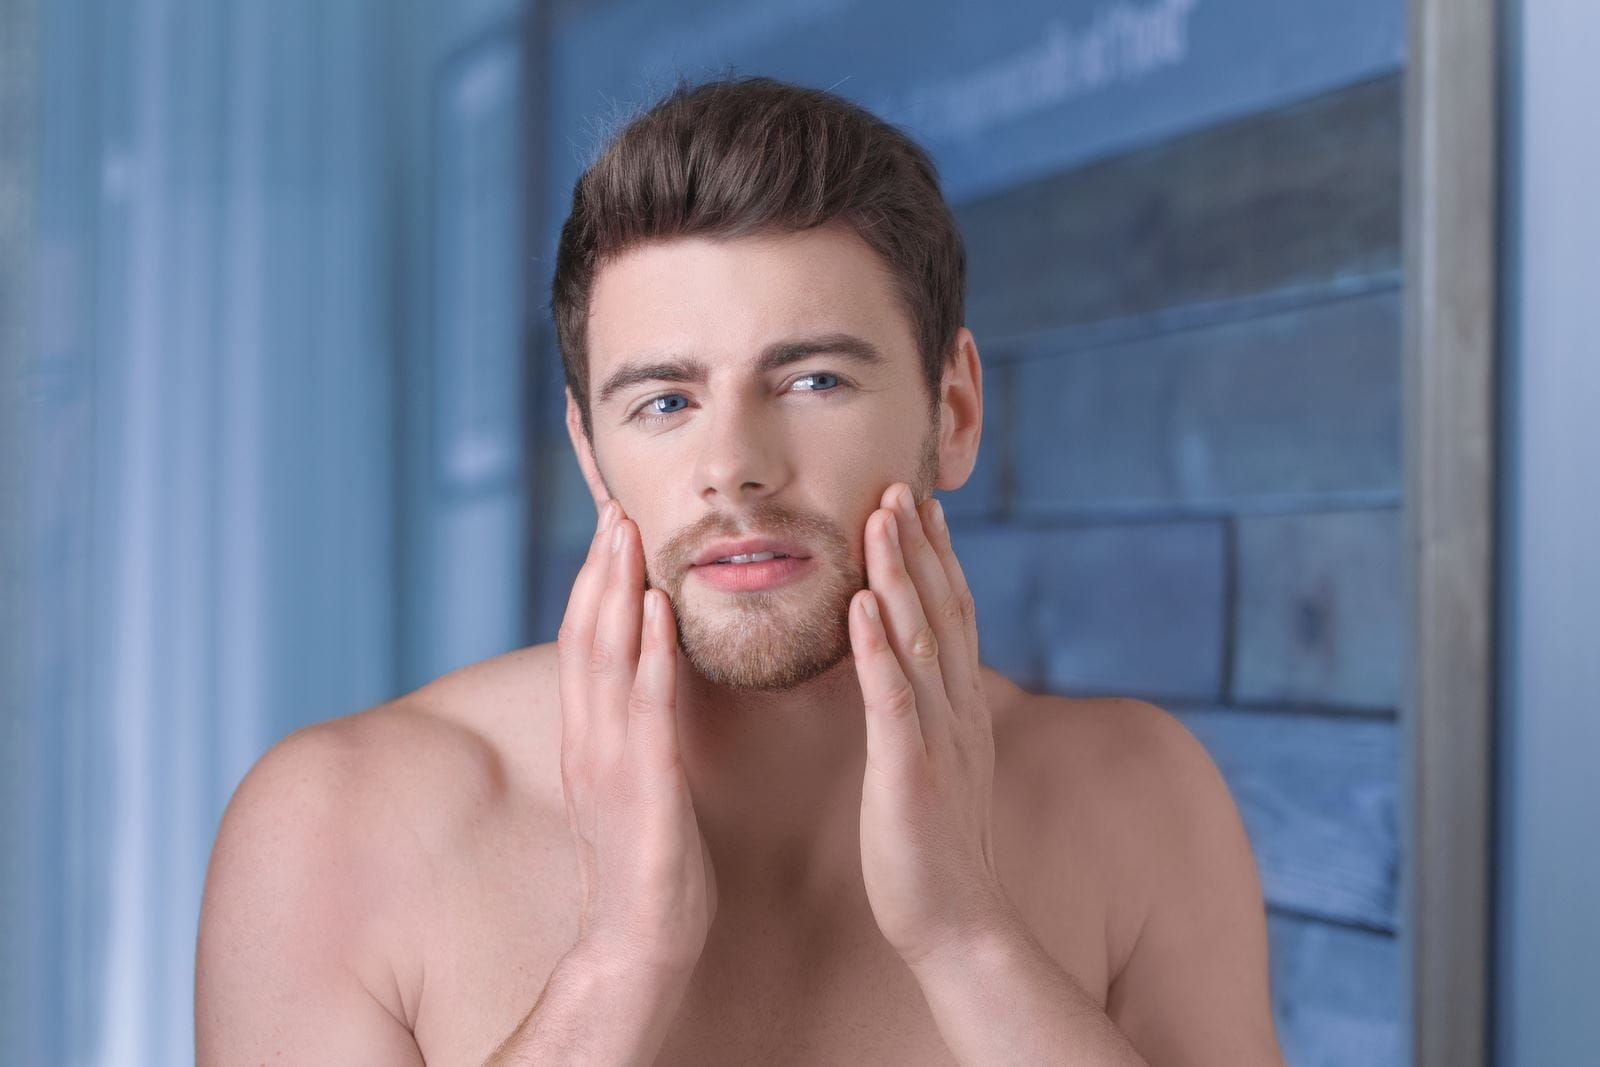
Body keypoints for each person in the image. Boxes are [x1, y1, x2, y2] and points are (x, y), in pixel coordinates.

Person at [196, 75, 1284, 1065]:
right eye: (665, 401)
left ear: (953, 410)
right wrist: (621, 959)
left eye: (812, 381)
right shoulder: (337, 830)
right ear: (591, 454)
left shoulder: (1138, 803)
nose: (734, 468)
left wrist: (967, 935)